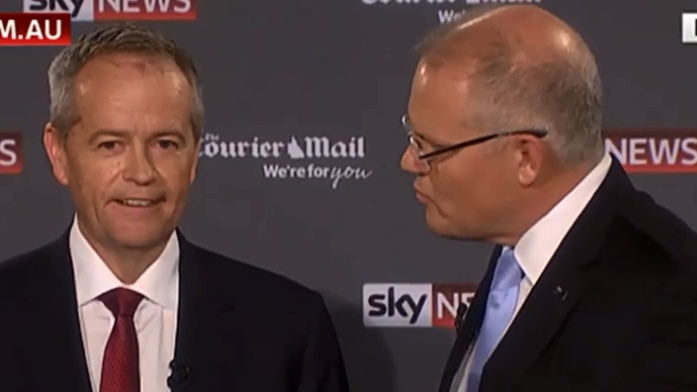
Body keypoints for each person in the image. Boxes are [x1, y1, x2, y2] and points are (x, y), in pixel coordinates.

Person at [0, 23, 349, 392]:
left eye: (164, 144)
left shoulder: (287, 331)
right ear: (59, 154)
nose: (141, 173)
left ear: (195, 155)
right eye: (110, 145)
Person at [400, 4, 697, 392]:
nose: (409, 162)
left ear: (525, 158)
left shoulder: (672, 298)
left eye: (429, 147)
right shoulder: (515, 254)